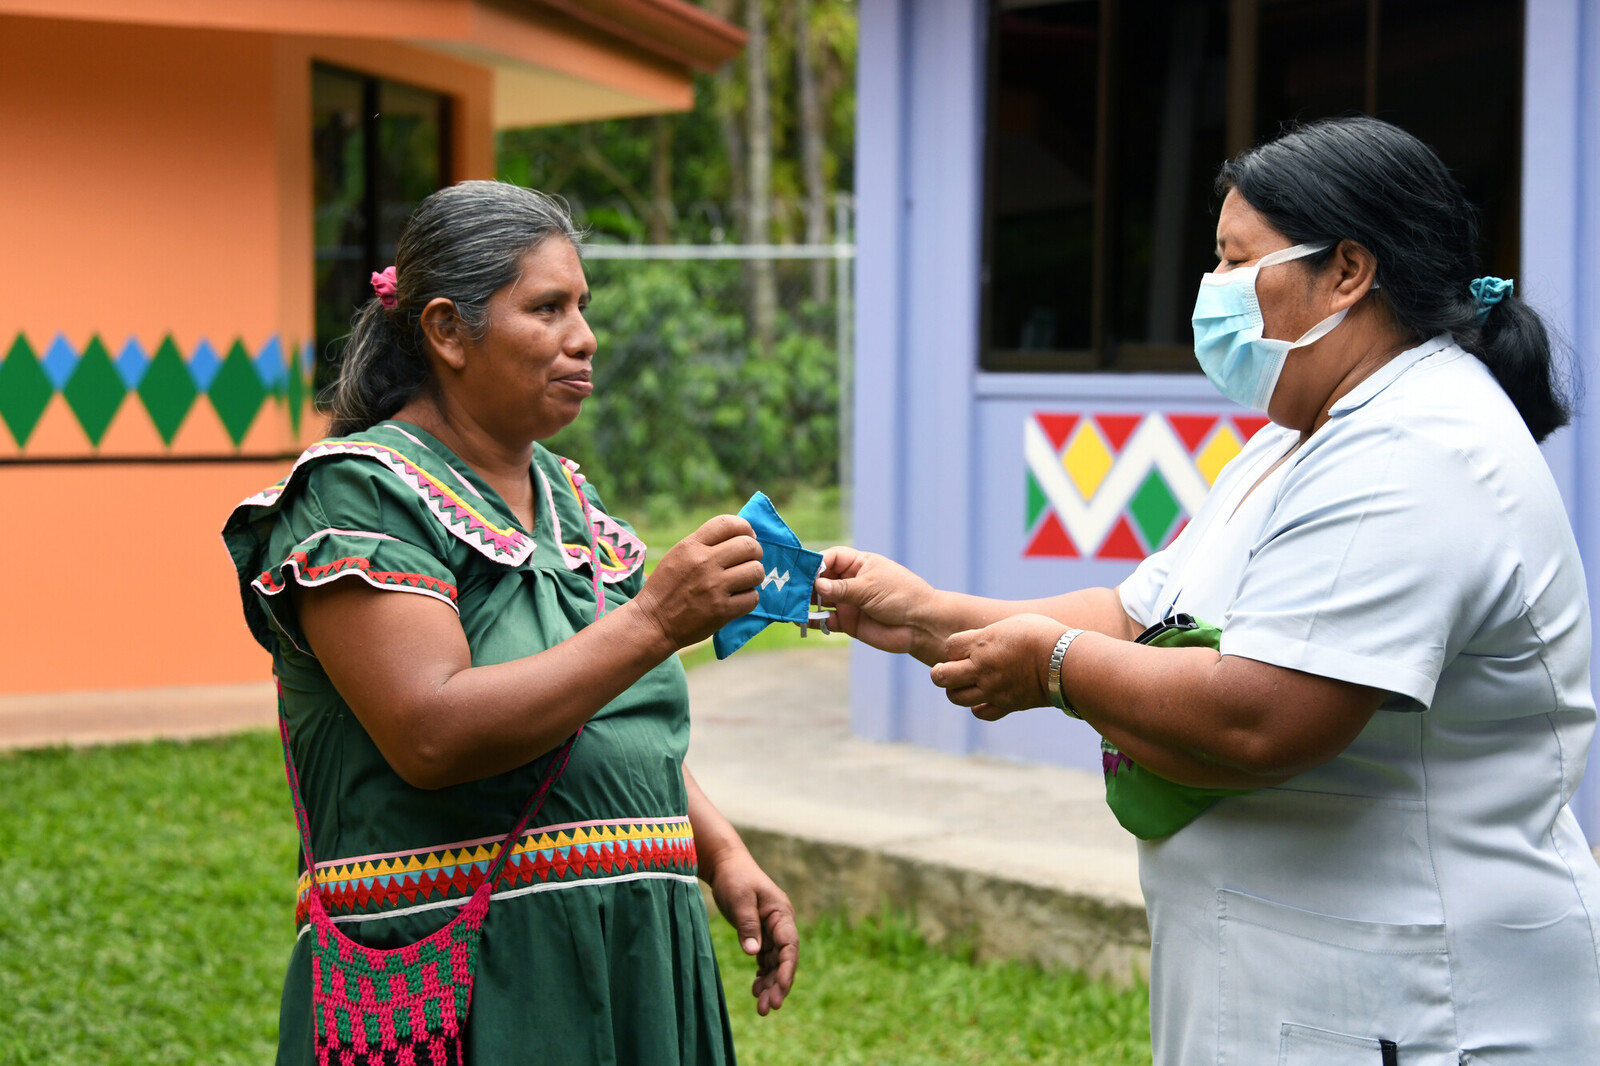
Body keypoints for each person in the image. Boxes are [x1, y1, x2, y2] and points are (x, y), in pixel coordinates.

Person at [817, 116, 1600, 1064]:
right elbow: (1145, 615)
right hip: (1302, 981)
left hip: (1413, 996)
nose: (1213, 293)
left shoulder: (1417, 450)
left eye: (1237, 263)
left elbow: (1264, 718)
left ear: (1348, 271)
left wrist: (1055, 668)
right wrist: (927, 615)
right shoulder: (1301, 435)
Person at [224, 181, 796, 1065]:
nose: (585, 337)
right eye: (548, 308)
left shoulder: (571, 500)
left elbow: (594, 712)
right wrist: (653, 620)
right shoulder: (359, 495)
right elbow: (431, 731)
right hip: (472, 976)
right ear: (447, 331)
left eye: (583, 307)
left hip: (631, 948)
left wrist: (716, 847)